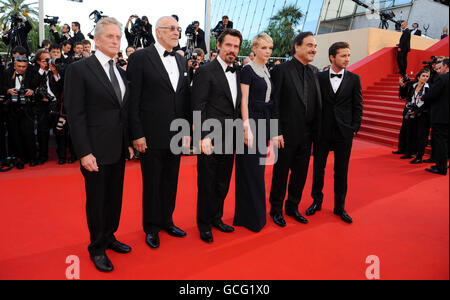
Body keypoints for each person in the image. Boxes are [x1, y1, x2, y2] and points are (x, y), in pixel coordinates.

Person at [65, 17, 133, 273]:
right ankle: (97, 247)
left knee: (114, 198)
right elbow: (76, 114)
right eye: (110, 37)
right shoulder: (80, 69)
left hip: (117, 148)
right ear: (96, 39)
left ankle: (109, 235)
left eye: (118, 37)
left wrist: (127, 143)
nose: (116, 41)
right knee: (97, 200)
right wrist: (84, 152)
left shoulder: (120, 71)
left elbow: (122, 112)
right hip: (94, 150)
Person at [127, 16, 191, 250]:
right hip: (150, 134)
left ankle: (167, 221)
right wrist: (137, 133)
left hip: (176, 134)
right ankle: (151, 227)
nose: (177, 32)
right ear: (158, 32)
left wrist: (186, 130)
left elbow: (183, 98)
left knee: (170, 181)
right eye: (172, 29)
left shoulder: (182, 60)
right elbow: (132, 100)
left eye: (178, 29)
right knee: (152, 183)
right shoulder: (140, 58)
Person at [191, 29, 243, 243]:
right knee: (207, 183)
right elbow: (198, 106)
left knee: (223, 182)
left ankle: (216, 218)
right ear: (219, 45)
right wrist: (202, 136)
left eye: (236, 46)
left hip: (230, 137)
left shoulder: (238, 72)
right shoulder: (206, 71)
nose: (232, 50)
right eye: (228, 45)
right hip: (210, 138)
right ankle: (204, 225)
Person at [269, 32, 322, 227]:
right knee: (281, 175)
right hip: (285, 134)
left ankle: (293, 207)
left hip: (307, 135)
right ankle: (276, 210)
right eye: (309, 45)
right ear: (297, 46)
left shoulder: (314, 72)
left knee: (300, 175)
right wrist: (276, 131)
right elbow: (273, 103)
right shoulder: (281, 70)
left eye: (315, 46)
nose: (313, 49)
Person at [307, 42, 363, 224]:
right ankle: (317, 201)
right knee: (318, 169)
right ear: (332, 57)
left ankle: (340, 207)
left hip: (343, 133)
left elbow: (358, 105)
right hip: (322, 132)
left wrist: (353, 128)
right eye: (343, 56)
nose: (347, 59)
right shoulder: (319, 77)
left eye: (348, 55)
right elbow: (313, 103)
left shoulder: (354, 79)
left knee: (341, 171)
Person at [234, 33, 274, 233]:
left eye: (270, 48)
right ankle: (250, 217)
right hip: (252, 124)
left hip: (265, 123)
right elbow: (244, 101)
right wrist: (246, 128)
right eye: (264, 48)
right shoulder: (247, 70)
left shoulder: (266, 69)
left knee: (256, 171)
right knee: (252, 172)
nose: (267, 51)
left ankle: (252, 215)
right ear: (255, 49)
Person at [3, 55, 39, 169]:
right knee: (15, 134)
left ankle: (32, 157)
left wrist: (32, 91)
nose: (21, 69)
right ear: (14, 65)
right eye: (19, 66)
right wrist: (8, 90)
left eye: (24, 66)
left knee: (29, 134)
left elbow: (37, 85)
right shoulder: (7, 73)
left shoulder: (31, 73)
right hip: (12, 108)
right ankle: (21, 157)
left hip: (27, 108)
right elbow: (2, 86)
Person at [34, 49, 63, 165]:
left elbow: (61, 87)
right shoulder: (35, 71)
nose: (47, 62)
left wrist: (55, 72)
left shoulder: (54, 70)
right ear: (38, 61)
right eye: (44, 60)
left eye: (48, 59)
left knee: (59, 132)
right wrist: (41, 69)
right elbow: (33, 84)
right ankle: (43, 156)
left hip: (55, 105)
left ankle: (61, 155)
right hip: (42, 106)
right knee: (42, 132)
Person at [423, 58, 449, 175]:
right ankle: (442, 165)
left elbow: (432, 94)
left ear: (446, 67)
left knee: (440, 142)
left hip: (440, 116)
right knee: (445, 142)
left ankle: (440, 167)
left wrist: (424, 97)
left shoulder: (442, 78)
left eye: (440, 67)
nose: (438, 70)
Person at [400, 68, 431, 164]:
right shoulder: (413, 86)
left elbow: (427, 103)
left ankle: (419, 157)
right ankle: (409, 152)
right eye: (423, 76)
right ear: (418, 77)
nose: (425, 78)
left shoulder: (428, 88)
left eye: (427, 76)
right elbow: (407, 97)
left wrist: (417, 110)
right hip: (412, 112)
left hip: (423, 114)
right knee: (410, 132)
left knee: (421, 136)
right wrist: (409, 105)